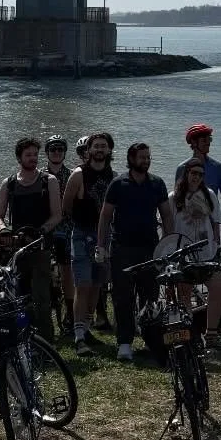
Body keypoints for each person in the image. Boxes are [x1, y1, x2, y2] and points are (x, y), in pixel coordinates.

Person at [97, 141, 172, 362]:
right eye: (142, 157)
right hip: (122, 249)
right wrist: (100, 246)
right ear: (131, 159)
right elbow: (105, 216)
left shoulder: (157, 184)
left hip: (151, 248)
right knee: (123, 298)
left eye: (148, 157)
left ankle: (150, 340)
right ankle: (124, 343)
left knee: (150, 296)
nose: (146, 161)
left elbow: (167, 215)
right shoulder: (118, 184)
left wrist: (169, 244)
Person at [0, 137, 62, 339]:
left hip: (40, 247)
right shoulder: (8, 184)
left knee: (42, 298)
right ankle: (21, 337)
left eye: (35, 154)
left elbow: (57, 215)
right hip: (16, 250)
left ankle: (46, 341)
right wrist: (3, 230)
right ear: (19, 157)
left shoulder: (48, 181)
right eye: (28, 155)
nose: (33, 158)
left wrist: (42, 230)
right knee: (18, 297)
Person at [62, 131, 116, 354]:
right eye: (96, 146)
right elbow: (66, 206)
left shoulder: (113, 175)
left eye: (104, 146)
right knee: (82, 285)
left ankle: (85, 329)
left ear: (109, 150)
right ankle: (77, 337)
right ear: (89, 150)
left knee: (96, 286)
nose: (100, 149)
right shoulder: (78, 174)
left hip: (104, 236)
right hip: (82, 235)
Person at [172, 161, 221, 342]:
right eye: (193, 173)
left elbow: (216, 221)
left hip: (206, 252)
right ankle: (189, 333)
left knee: (218, 289)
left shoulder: (209, 195)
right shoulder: (174, 197)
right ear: (186, 174)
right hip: (183, 253)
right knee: (185, 292)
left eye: (200, 174)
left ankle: (211, 332)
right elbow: (168, 225)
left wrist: (217, 243)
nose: (196, 177)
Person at [176, 124, 221, 230]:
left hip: (212, 222)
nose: (208, 142)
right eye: (204, 140)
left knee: (213, 246)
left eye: (210, 139)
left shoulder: (218, 167)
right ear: (194, 143)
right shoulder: (182, 168)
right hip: (188, 222)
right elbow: (178, 197)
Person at [45, 133, 75, 335]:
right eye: (53, 149)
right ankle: (48, 313)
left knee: (67, 273)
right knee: (45, 274)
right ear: (47, 153)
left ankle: (70, 315)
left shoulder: (73, 175)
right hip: (45, 230)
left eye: (60, 149)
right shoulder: (39, 175)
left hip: (67, 229)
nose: (56, 152)